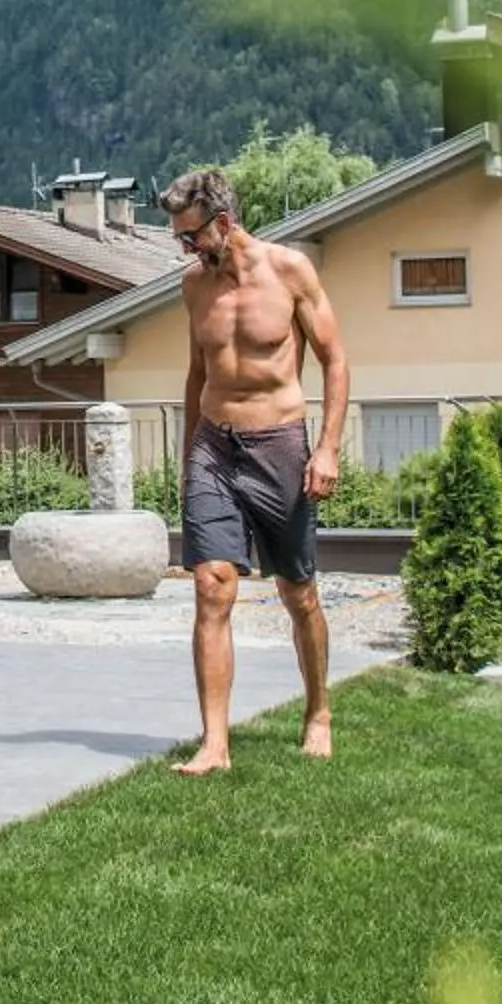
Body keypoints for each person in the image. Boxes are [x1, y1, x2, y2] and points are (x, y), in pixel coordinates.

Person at [159, 167, 348, 772]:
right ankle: (215, 744)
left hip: (280, 445)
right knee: (211, 586)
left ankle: (318, 711)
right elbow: (197, 373)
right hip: (214, 447)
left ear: (222, 222)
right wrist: (188, 460)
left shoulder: (291, 270)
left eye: (191, 236)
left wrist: (327, 448)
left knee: (298, 592)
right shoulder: (194, 286)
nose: (185, 248)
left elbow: (334, 360)